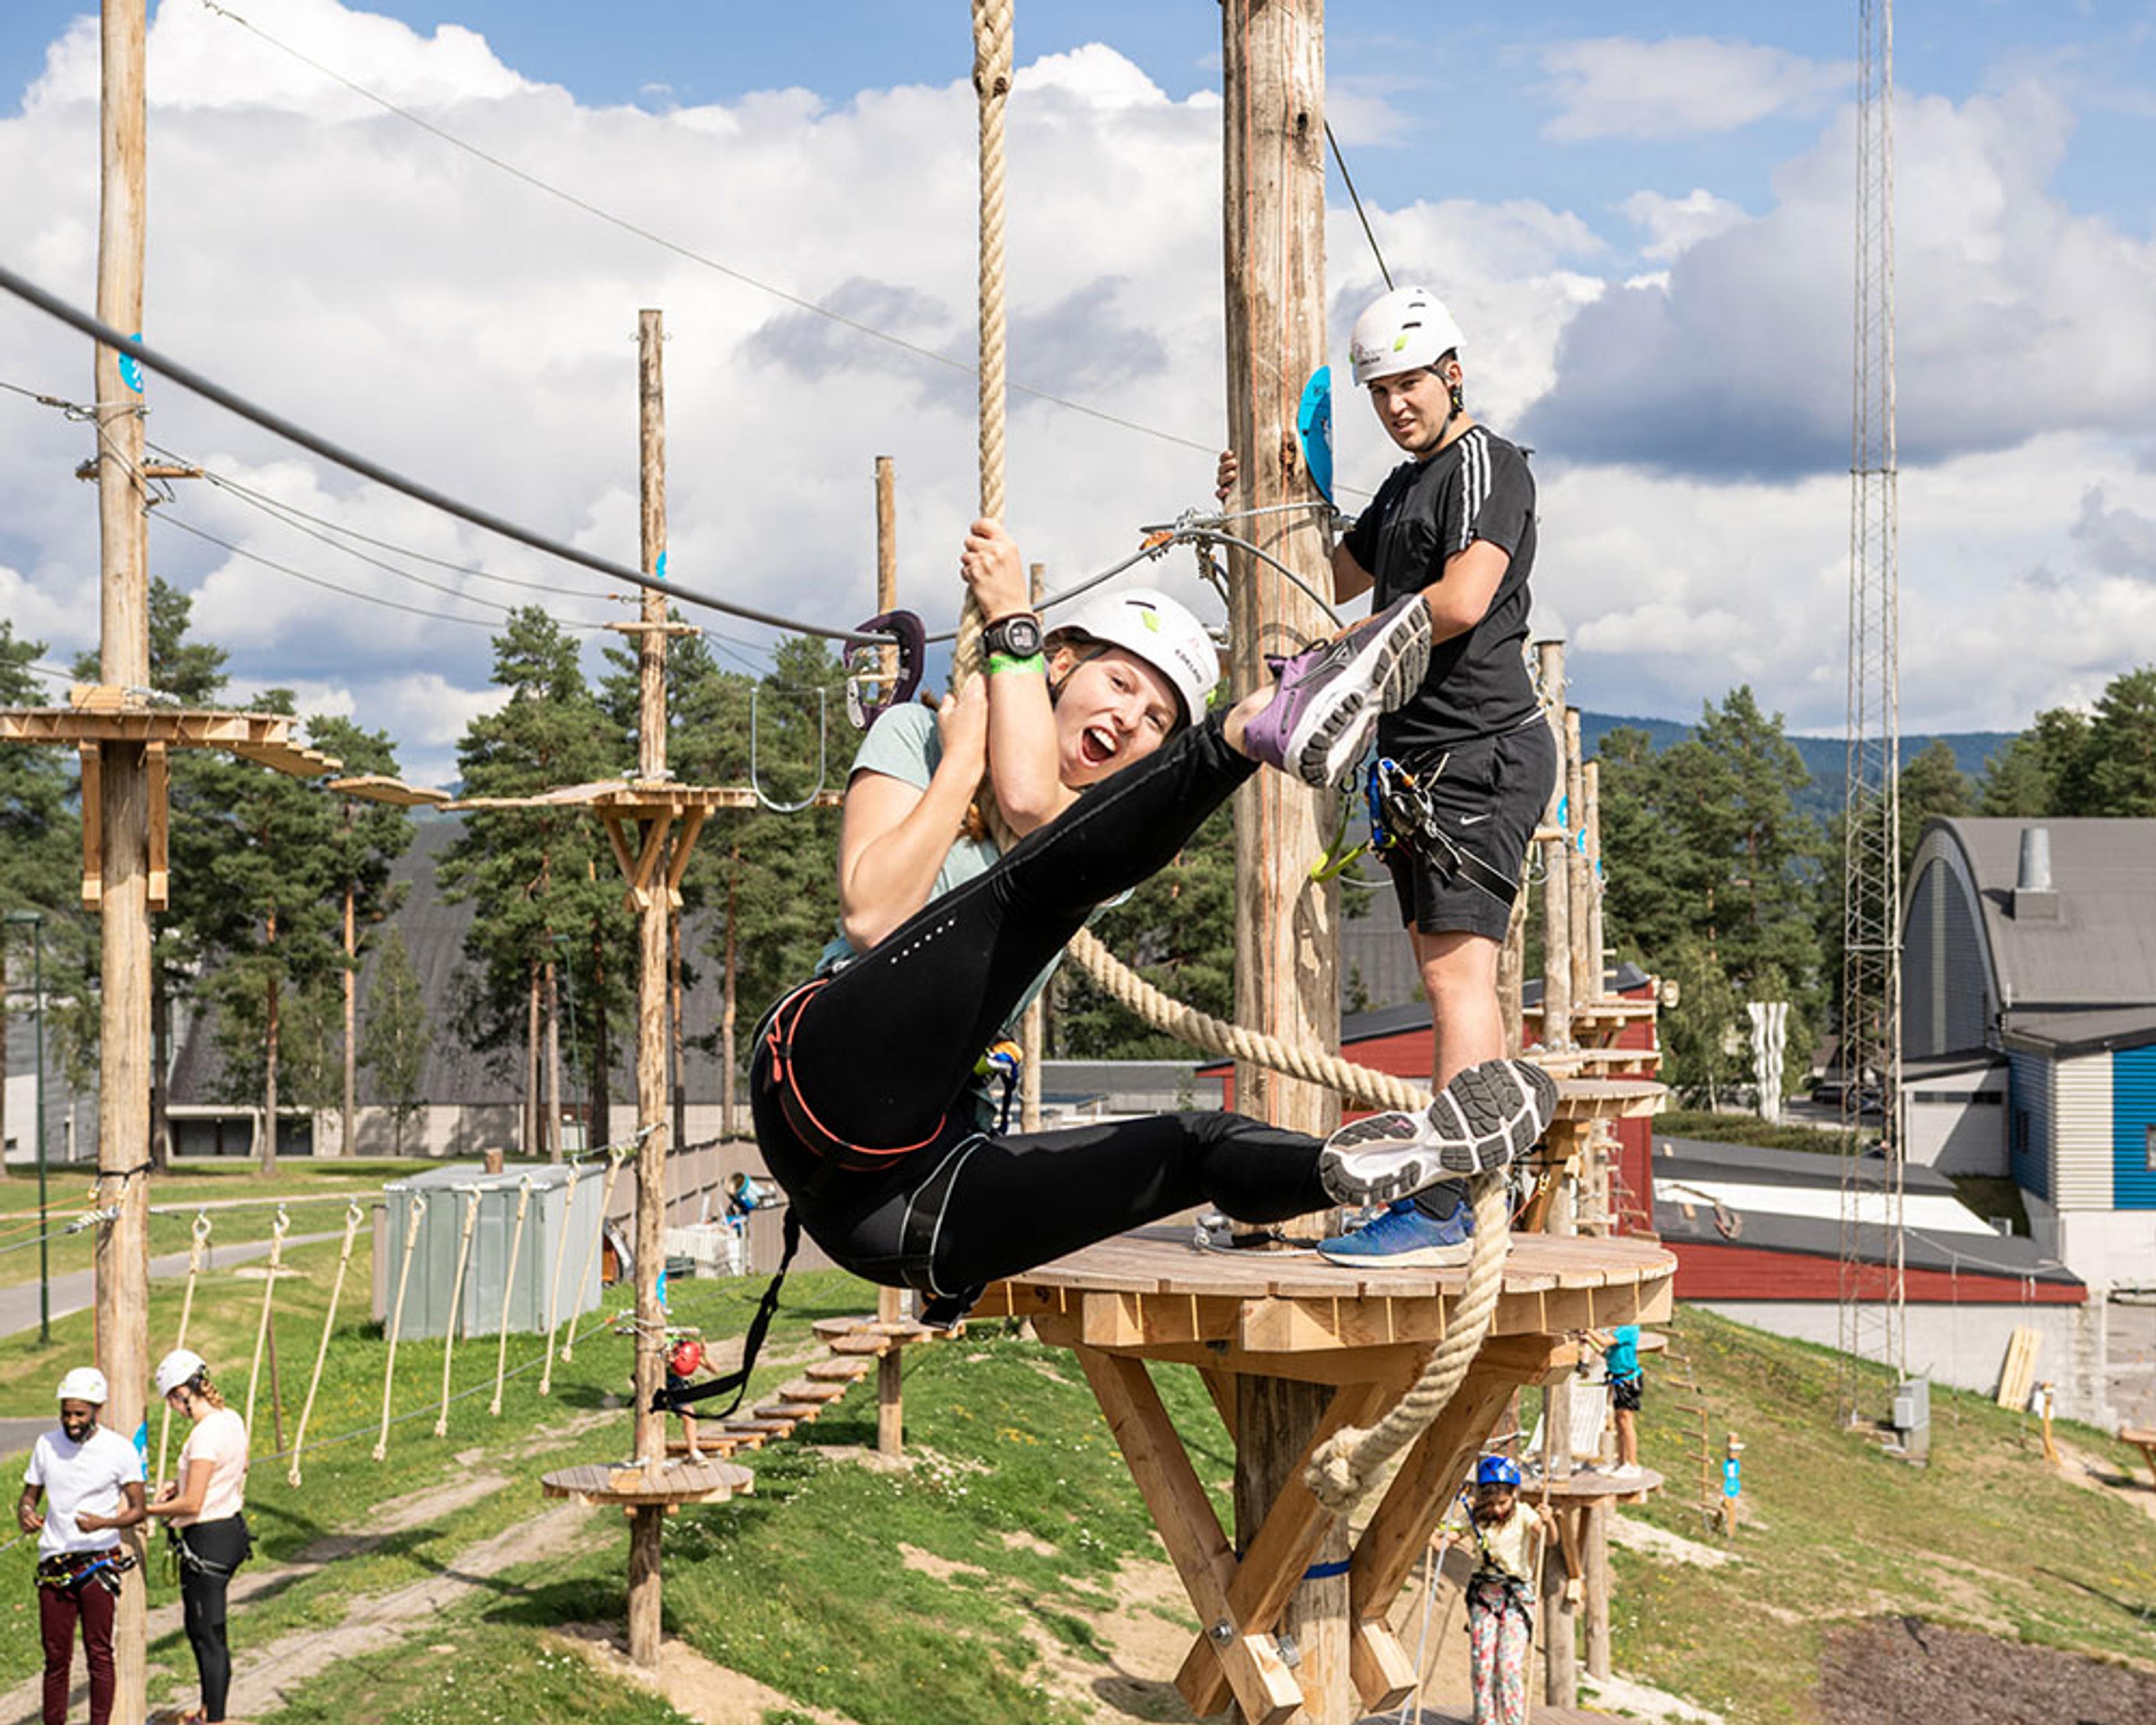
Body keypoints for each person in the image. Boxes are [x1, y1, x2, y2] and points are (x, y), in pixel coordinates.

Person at [743, 517, 1555, 1323]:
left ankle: (1392, 1163)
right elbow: (873, 916)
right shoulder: (919, 736)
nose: (1131, 720)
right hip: (824, 1082)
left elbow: (1037, 814)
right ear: (1059, 666)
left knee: (1195, 1147)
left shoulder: (1106, 853)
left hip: (901, 1212)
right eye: (1121, 685)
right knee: (1026, 895)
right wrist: (963, 754)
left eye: (1158, 719)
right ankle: (1249, 731)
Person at [1220, 285, 1560, 1268]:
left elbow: (1461, 599)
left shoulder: (1486, 466)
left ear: (1451, 373)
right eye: (1379, 389)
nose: (1396, 403)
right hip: (1418, 761)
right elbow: (1318, 578)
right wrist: (1261, 507)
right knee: (1445, 967)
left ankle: (1452, 1195)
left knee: (1461, 974)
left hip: (1481, 749)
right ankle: (1455, 1179)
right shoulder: (1408, 488)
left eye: (1409, 382)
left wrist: (1347, 650)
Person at [18, 1367, 145, 1725]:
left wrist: (104, 1523)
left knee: (99, 1654)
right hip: (55, 1564)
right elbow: (29, 1496)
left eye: (79, 1414)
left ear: (97, 1410)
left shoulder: (119, 1450)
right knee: (56, 1659)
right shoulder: (46, 1445)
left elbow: (138, 1510)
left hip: (98, 1563)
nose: (71, 1421)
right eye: (66, 1413)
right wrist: (27, 1512)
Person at [143, 1349, 252, 1725]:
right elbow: (239, 1466)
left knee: (208, 1636)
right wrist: (183, 1482)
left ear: (180, 1394)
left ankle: (215, 1719)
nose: (172, 1409)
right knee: (203, 1631)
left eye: (171, 1401)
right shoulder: (231, 1420)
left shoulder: (204, 1435)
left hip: (207, 1539)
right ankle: (209, 1711)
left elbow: (191, 1505)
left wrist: (143, 1510)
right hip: (230, 1529)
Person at [1437, 1454, 1567, 1725]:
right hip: (1483, 1595)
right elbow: (1442, 1543)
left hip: (1516, 1596)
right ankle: (1486, 1721)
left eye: (1503, 1502)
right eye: (1492, 1503)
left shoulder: (1522, 1514)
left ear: (1515, 1494)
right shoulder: (1475, 1516)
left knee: (1508, 1667)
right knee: (1483, 1666)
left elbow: (1549, 1540)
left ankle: (1513, 1721)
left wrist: (1549, 1522)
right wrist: (1429, 1526)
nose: (1497, 1509)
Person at [1588, 1323, 1645, 1477]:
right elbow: (1606, 1352)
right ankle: (1621, 1462)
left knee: (1626, 1422)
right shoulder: (1617, 1330)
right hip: (1618, 1378)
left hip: (1628, 1380)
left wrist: (1588, 1330)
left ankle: (1632, 1464)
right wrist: (1589, 1339)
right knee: (1620, 1422)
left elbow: (1605, 1342)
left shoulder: (1629, 1328)